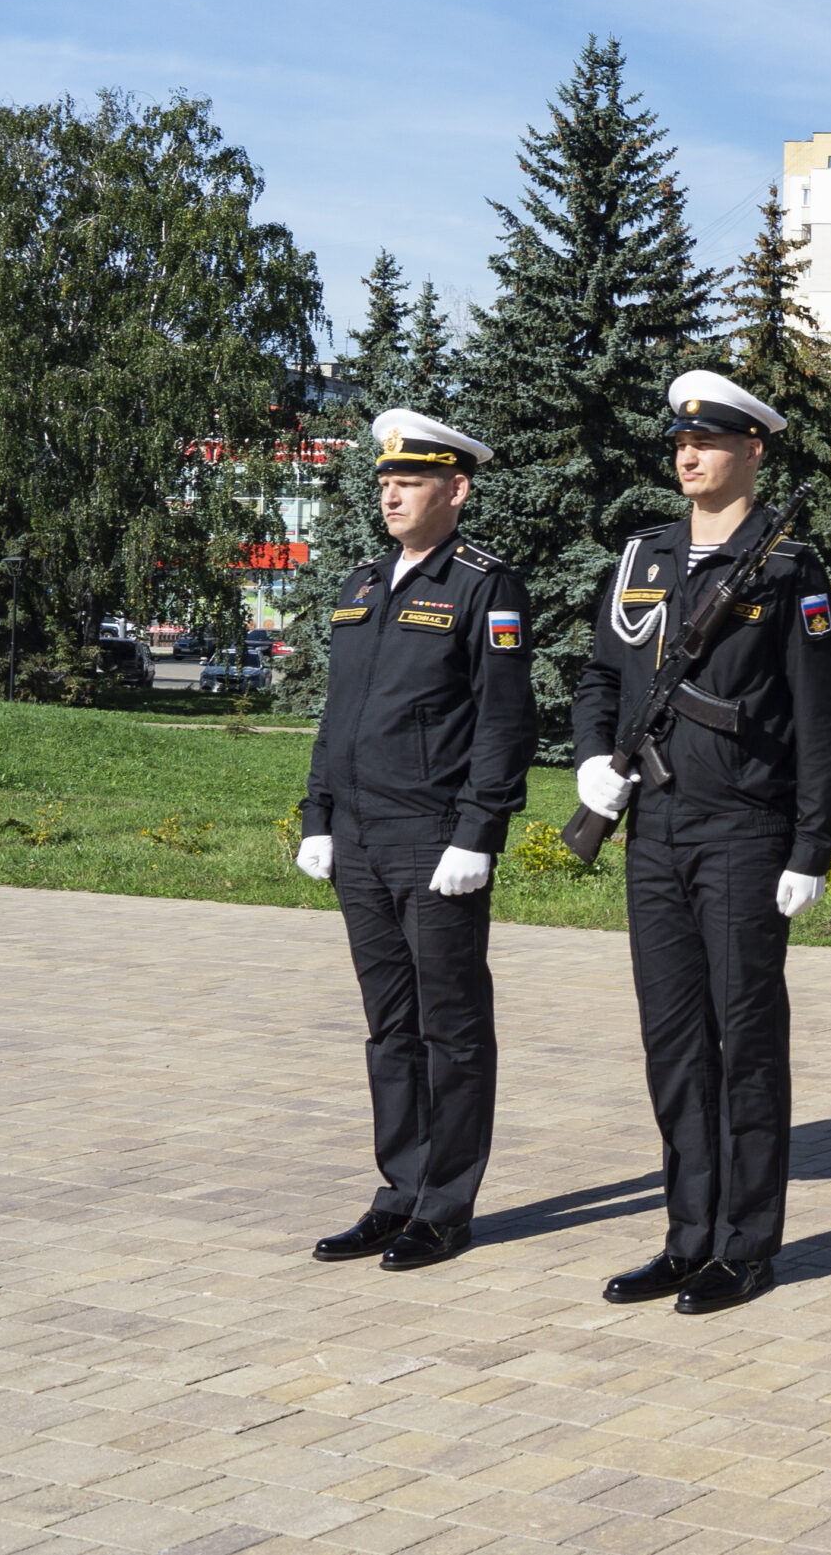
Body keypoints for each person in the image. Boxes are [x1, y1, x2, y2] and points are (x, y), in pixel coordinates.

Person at [570, 371, 831, 1314]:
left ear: (753, 452)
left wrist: (812, 845)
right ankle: (686, 1234)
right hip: (651, 829)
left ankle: (746, 1242)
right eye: (682, 442)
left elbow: (821, 721)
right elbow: (600, 678)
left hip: (742, 831)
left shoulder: (785, 570)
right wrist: (589, 765)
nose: (690, 455)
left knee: (746, 1040)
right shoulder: (642, 557)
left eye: (713, 442)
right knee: (674, 1041)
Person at [297, 408, 536, 1272]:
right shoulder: (362, 584)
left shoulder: (482, 585)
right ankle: (396, 1191)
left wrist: (479, 832)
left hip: (434, 839)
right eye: (386, 479)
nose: (391, 491)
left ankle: (445, 1204)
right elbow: (339, 716)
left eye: (411, 479)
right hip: (358, 839)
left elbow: (505, 725)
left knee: (453, 1026)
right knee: (389, 1025)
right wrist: (317, 813)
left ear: (455, 489)